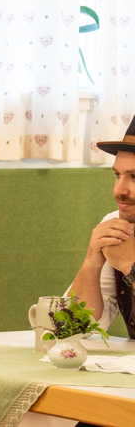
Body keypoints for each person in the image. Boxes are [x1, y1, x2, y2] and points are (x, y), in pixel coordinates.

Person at [68, 118, 135, 339]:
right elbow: (72, 327)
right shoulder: (117, 225)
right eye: (117, 175)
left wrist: (130, 267)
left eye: (134, 177)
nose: (119, 190)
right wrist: (91, 263)